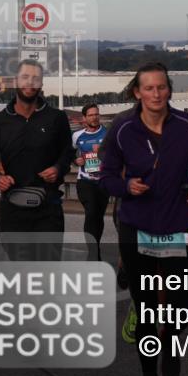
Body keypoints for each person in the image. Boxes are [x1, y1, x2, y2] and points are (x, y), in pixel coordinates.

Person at [98, 63, 188, 376]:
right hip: (137, 226)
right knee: (147, 310)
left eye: (161, 87)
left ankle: (172, 343)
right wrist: (124, 185)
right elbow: (105, 176)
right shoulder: (122, 129)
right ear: (137, 91)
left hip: (177, 225)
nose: (155, 94)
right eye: (148, 88)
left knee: (180, 309)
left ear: (169, 90)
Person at [0, 59, 73, 248]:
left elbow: (67, 153)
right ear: (15, 81)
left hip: (49, 209)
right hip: (13, 210)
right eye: (25, 77)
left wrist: (58, 167)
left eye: (35, 78)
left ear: (42, 83)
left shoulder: (57, 118)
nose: (30, 82)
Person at [72, 103, 109, 260]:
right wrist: (76, 160)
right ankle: (93, 253)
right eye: (91, 115)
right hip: (85, 181)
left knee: (98, 216)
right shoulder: (77, 136)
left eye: (97, 114)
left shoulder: (108, 134)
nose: (95, 117)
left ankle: (96, 246)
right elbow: (69, 154)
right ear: (84, 118)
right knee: (91, 212)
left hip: (103, 182)